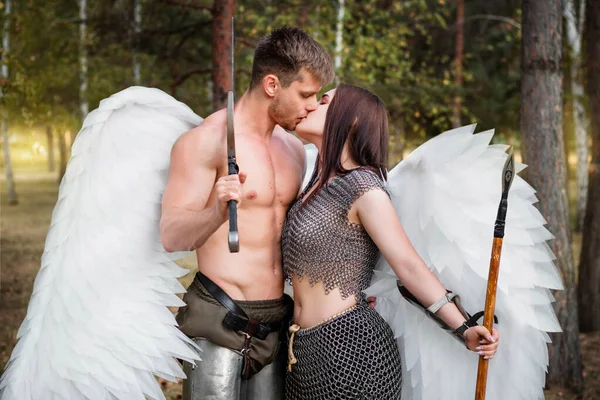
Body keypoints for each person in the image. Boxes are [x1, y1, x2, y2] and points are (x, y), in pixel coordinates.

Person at [282, 84, 500, 399]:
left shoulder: (363, 187)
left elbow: (408, 266)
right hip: (301, 349)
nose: (312, 105)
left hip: (351, 347)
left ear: (352, 120)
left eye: (324, 100)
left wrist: (463, 327)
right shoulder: (312, 187)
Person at [160, 27, 334, 400]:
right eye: (305, 94)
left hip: (277, 322)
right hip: (220, 317)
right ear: (272, 84)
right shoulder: (207, 141)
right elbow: (171, 235)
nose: (312, 105)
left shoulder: (293, 150)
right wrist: (216, 212)